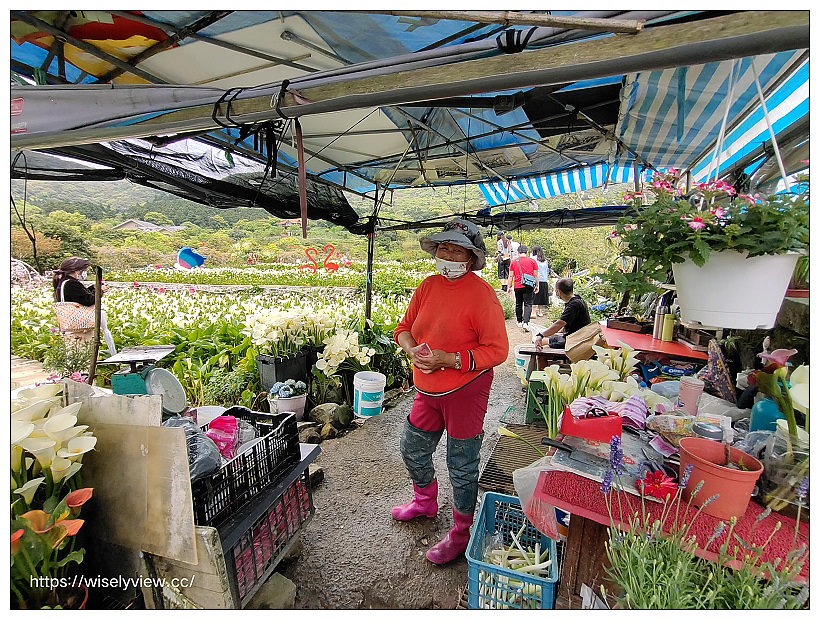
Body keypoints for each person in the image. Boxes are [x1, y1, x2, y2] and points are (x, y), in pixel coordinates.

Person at [393, 218, 508, 565]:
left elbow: (497, 351)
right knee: (412, 447)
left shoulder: (482, 296)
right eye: (444, 247)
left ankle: (461, 531)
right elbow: (403, 328)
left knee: (461, 463)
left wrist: (450, 359)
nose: (448, 254)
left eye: (457, 249)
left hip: (466, 391)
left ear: (471, 258)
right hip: (426, 389)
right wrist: (411, 348)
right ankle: (425, 502)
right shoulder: (428, 286)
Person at [52, 257, 117, 355]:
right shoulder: (71, 284)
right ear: (76, 270)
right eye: (83, 270)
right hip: (80, 329)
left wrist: (93, 287)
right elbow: (89, 300)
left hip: (71, 329)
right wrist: (100, 290)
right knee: (84, 355)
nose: (84, 272)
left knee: (74, 354)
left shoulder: (64, 282)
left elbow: (80, 296)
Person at [533, 278, 590, 350]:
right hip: (571, 337)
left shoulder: (573, 305)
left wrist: (541, 335)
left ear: (558, 291)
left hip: (574, 340)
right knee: (541, 342)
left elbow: (559, 324)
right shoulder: (577, 299)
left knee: (541, 351)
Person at [507, 244, 539, 332]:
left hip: (517, 285)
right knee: (528, 304)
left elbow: (510, 276)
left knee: (518, 303)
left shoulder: (514, 262)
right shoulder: (532, 261)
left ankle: (519, 321)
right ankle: (526, 322)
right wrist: (537, 285)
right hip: (528, 285)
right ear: (527, 252)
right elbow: (536, 275)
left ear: (518, 252)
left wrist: (508, 287)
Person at [530, 245, 551, 318]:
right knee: (542, 296)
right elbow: (547, 270)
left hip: (535, 279)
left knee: (535, 296)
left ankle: (533, 312)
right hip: (544, 280)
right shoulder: (545, 260)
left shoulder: (533, 258)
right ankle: (540, 311)